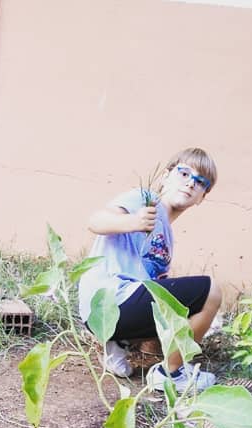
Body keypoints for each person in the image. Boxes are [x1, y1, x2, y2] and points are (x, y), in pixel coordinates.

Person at [77, 146, 223, 392]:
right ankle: (171, 374)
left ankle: (117, 346)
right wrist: (132, 222)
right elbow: (95, 221)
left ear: (202, 197)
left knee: (181, 308)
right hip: (107, 302)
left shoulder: (167, 238)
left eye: (200, 182)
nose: (190, 184)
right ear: (165, 176)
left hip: (114, 312)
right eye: (184, 174)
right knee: (211, 291)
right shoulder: (144, 200)